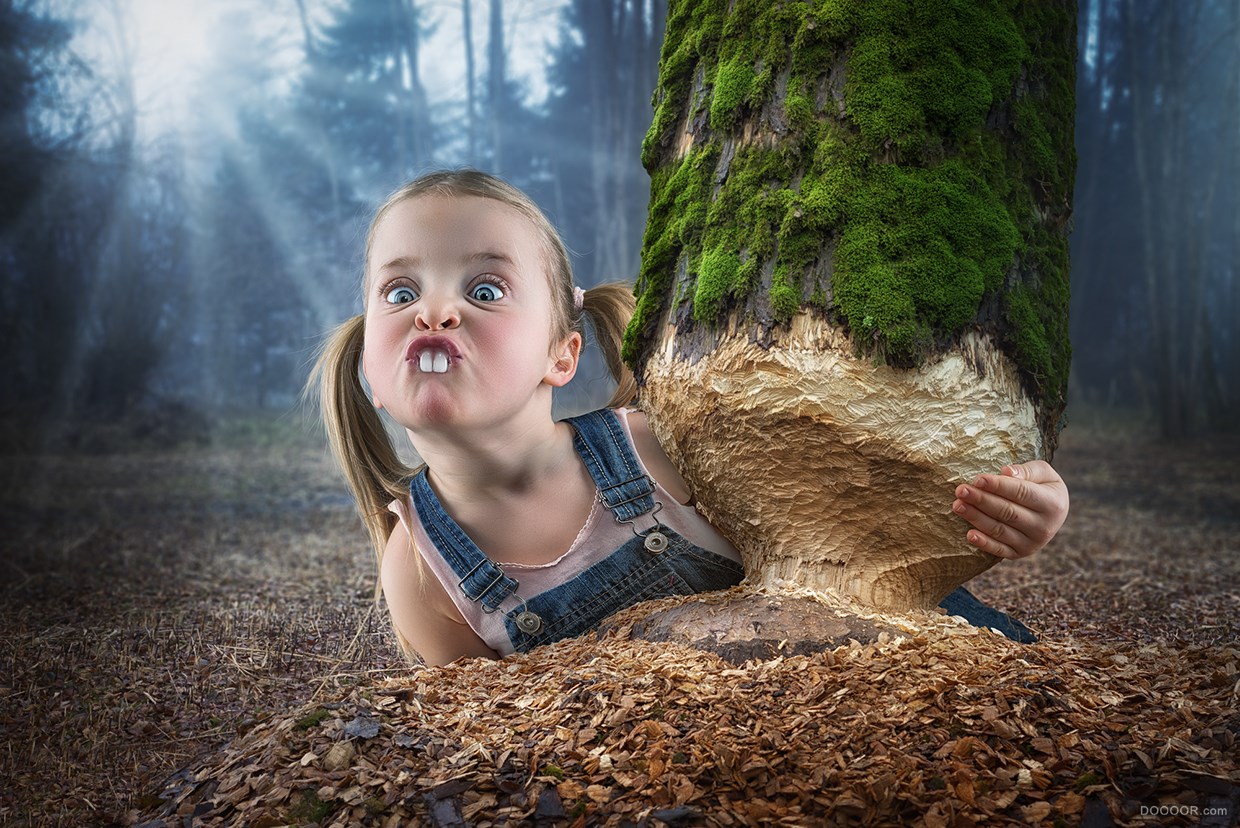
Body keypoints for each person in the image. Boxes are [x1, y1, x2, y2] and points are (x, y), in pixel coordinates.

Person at [308, 169, 1070, 668]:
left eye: (483, 290)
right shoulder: (421, 572)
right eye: (399, 294)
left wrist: (1020, 506)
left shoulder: (658, 447)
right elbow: (493, 749)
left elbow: (860, 542)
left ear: (562, 356)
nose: (434, 310)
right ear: (371, 370)